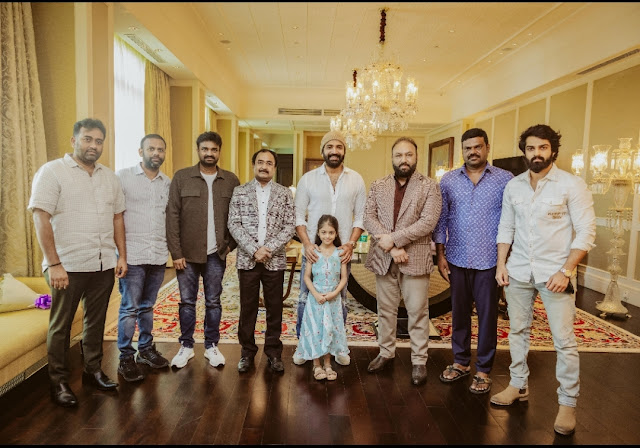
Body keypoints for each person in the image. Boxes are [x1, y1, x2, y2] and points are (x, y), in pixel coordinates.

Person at [490, 124, 596, 436]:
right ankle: (518, 385)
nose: (537, 153)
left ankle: (567, 403)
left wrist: (566, 271)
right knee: (517, 331)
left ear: (553, 150)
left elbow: (586, 232)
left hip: (555, 275)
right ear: (525, 152)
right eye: (531, 148)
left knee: (564, 340)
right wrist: (501, 264)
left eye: (543, 147)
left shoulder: (571, 185)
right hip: (519, 270)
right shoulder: (514, 187)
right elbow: (506, 227)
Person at [28, 118, 127, 407]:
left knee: (96, 321)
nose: (93, 145)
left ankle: (92, 371)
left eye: (98, 141)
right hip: (66, 266)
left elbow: (117, 218)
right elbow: (41, 217)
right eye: (87, 139)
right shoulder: (52, 172)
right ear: (74, 141)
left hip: (103, 263)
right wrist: (53, 264)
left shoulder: (110, 178)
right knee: (61, 325)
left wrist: (121, 255)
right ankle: (58, 382)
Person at [433, 128, 513, 394]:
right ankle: (461, 362)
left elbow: (511, 220)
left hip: (489, 261)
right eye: (468, 148)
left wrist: (505, 261)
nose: (473, 152)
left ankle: (483, 370)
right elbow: (442, 219)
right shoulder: (448, 180)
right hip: (456, 258)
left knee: (488, 317)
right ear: (463, 151)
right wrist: (440, 254)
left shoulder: (505, 179)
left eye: (478, 146)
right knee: (459, 314)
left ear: (487, 147)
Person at [363, 137, 442, 386]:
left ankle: (419, 361)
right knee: (385, 310)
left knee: (417, 311)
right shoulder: (378, 185)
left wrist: (394, 241)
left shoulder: (429, 186)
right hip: (384, 258)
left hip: (414, 258)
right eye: (399, 155)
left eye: (408, 155)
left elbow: (428, 222)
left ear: (416, 157)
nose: (404, 159)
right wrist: (391, 246)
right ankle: (386, 352)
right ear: (392, 158)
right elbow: (368, 218)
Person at [166, 131, 240, 369]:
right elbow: (172, 215)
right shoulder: (182, 177)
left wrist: (229, 246)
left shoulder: (231, 180)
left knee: (213, 302)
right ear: (198, 150)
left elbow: (237, 216)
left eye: (214, 150)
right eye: (205, 149)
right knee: (187, 302)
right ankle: (186, 346)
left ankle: (211, 346)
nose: (209, 153)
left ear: (219, 152)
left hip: (216, 254)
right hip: (186, 256)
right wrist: (176, 253)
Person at [293, 130, 366, 367]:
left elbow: (360, 217)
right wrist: (307, 244)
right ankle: (304, 347)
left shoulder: (356, 179)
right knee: (306, 299)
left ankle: (337, 348)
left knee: (339, 301)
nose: (334, 151)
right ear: (323, 150)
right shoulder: (308, 179)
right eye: (330, 147)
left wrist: (351, 243)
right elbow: (298, 217)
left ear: (344, 150)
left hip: (340, 254)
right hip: (313, 252)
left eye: (339, 147)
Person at [228, 149, 296, 373]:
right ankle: (247, 353)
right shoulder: (239, 192)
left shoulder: (285, 193)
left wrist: (269, 249)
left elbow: (290, 226)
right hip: (248, 260)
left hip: (274, 261)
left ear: (274, 167)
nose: (264, 166)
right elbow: (233, 224)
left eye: (269, 163)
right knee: (248, 308)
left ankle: (274, 353)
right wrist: (254, 250)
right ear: (254, 165)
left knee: (274, 308)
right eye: (260, 162)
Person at [115, 134, 172, 382]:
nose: (156, 153)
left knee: (148, 306)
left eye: (160, 149)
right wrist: (121, 255)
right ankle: (125, 358)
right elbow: (116, 216)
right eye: (151, 149)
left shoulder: (167, 183)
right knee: (130, 308)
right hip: (132, 255)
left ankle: (146, 350)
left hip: (157, 255)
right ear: (141, 152)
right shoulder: (123, 177)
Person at [293, 215, 350, 381]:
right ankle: (316, 365)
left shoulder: (340, 253)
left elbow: (344, 278)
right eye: (324, 232)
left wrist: (334, 293)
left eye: (331, 232)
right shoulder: (314, 252)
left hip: (333, 300)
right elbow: (306, 277)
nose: (327, 236)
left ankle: (328, 364)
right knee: (316, 329)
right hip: (315, 299)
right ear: (318, 233)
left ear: (336, 233)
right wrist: (316, 294)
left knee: (330, 329)